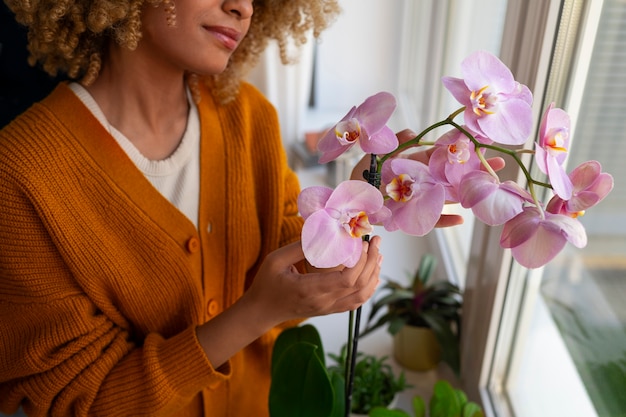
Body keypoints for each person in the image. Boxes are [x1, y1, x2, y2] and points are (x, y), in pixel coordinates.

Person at [0, 1, 387, 416]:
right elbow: (79, 401)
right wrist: (255, 314)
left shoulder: (249, 117)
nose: (242, 8)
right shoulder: (22, 173)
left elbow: (292, 266)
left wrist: (369, 193)